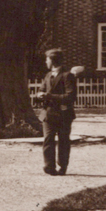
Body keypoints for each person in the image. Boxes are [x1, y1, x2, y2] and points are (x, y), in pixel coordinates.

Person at [37, 48, 77, 176]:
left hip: (64, 114)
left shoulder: (67, 75)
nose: (45, 62)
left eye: (47, 59)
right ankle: (49, 166)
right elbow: (42, 89)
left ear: (53, 60)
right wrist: (40, 95)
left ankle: (63, 166)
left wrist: (49, 96)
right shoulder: (48, 75)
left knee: (63, 140)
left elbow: (70, 97)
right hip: (48, 113)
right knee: (48, 139)